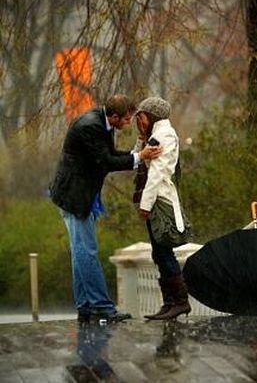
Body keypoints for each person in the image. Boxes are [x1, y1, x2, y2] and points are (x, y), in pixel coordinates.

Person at [49, 94, 162, 324]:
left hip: (81, 194)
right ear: (114, 116)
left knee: (80, 253)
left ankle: (86, 307)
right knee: (86, 252)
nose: (129, 122)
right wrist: (139, 157)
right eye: (126, 118)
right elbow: (106, 161)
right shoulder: (90, 126)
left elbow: (109, 155)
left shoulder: (102, 122)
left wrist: (136, 156)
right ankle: (102, 307)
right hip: (74, 196)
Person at [133, 96, 192, 320]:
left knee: (164, 252)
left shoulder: (163, 135)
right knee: (159, 252)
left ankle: (179, 301)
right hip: (155, 199)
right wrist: (141, 138)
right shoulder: (154, 135)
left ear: (152, 115)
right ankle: (170, 303)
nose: (139, 120)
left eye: (142, 116)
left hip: (160, 201)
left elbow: (157, 172)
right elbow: (138, 158)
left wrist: (145, 205)